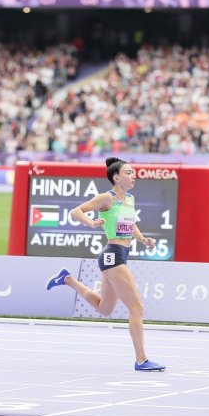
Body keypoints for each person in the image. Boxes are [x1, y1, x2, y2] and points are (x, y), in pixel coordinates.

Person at [46, 157, 165, 372]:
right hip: (113, 255)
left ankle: (67, 279)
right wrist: (91, 222)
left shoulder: (130, 199)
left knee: (105, 308)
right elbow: (76, 211)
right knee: (136, 307)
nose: (134, 175)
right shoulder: (106, 198)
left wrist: (143, 239)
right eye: (129, 172)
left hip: (121, 254)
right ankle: (141, 360)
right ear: (117, 177)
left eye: (133, 172)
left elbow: (131, 224)